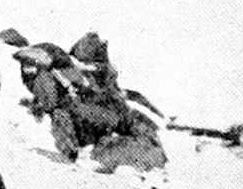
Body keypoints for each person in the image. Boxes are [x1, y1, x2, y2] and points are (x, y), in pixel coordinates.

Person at [20, 33, 166, 172]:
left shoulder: (96, 83)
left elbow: (127, 103)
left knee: (114, 137)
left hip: (102, 130)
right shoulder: (72, 82)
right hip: (92, 130)